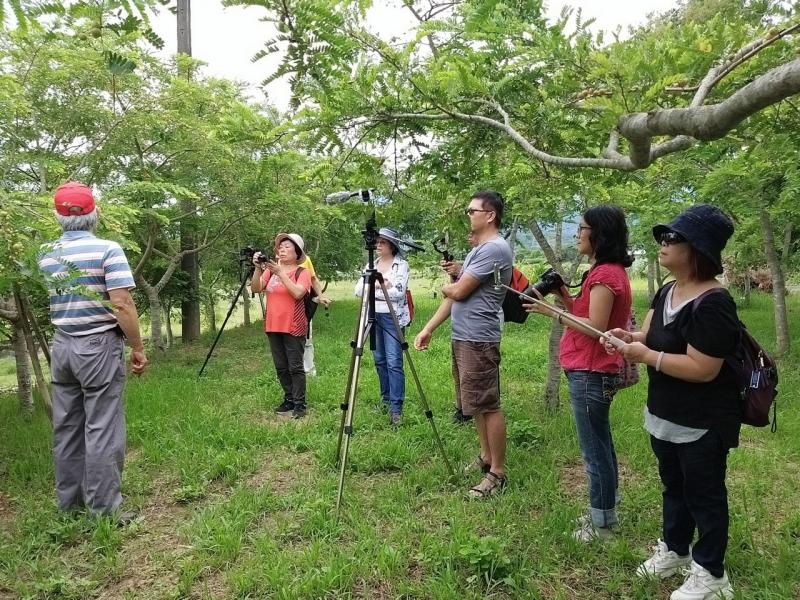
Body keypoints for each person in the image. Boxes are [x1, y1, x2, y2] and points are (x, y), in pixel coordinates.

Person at [604, 204, 738, 600]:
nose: (662, 244)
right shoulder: (667, 290)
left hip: (703, 421)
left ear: (697, 249)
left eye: (672, 239)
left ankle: (712, 574)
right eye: (663, 237)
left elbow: (703, 368)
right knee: (673, 486)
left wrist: (647, 357)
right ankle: (676, 551)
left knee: (705, 494)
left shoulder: (714, 303)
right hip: (665, 413)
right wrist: (631, 339)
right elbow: (650, 337)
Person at [38, 182, 148, 522]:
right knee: (101, 425)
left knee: (67, 425)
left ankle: (68, 505)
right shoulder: (108, 250)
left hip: (62, 345)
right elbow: (122, 303)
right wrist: (138, 347)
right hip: (97, 345)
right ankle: (104, 510)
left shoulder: (46, 254)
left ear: (58, 216)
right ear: (93, 213)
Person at [524, 205, 633, 541]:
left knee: (594, 450)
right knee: (602, 444)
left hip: (591, 369)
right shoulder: (604, 271)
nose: (577, 233)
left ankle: (602, 526)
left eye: (582, 228)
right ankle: (606, 511)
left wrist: (550, 313)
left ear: (598, 233)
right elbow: (587, 313)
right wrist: (562, 297)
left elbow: (597, 328)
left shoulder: (604, 275)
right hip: (591, 369)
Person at [414, 190, 512, 498]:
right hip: (464, 335)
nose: (468, 215)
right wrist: (428, 328)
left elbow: (458, 292)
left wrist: (450, 284)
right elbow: (457, 293)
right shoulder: (478, 250)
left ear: (490, 215)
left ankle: (497, 472)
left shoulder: (494, 249)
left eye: (472, 210)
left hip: (479, 338)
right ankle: (485, 456)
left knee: (488, 404)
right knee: (474, 403)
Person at [354, 227, 411, 426]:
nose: (378, 245)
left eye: (382, 242)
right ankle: (386, 400)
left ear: (392, 245)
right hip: (373, 315)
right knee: (379, 360)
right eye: (376, 242)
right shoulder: (372, 264)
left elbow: (398, 293)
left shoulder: (401, 265)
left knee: (394, 361)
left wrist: (376, 287)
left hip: (392, 317)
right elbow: (359, 290)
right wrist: (381, 285)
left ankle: (396, 408)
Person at [251, 233, 312, 419]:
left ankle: (300, 404)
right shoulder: (270, 271)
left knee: (295, 366)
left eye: (287, 246)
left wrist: (281, 273)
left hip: (293, 325)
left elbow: (297, 293)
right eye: (280, 247)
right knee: (281, 366)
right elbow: (255, 288)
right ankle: (289, 399)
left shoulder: (303, 272)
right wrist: (257, 270)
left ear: (297, 252)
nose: (282, 249)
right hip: (273, 324)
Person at [441, 231, 478, 424]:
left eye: (472, 233)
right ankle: (463, 409)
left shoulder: (489, 253)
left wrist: (450, 286)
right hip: (461, 329)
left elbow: (458, 291)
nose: (468, 236)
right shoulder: (473, 256)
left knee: (473, 378)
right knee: (459, 372)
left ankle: (472, 410)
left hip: (477, 333)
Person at [297, 252, 332, 377]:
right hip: (286, 306)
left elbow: (313, 278)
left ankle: (309, 371)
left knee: (306, 338)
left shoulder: (305, 259)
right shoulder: (278, 260)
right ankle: (291, 370)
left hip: (304, 303)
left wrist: (320, 295)